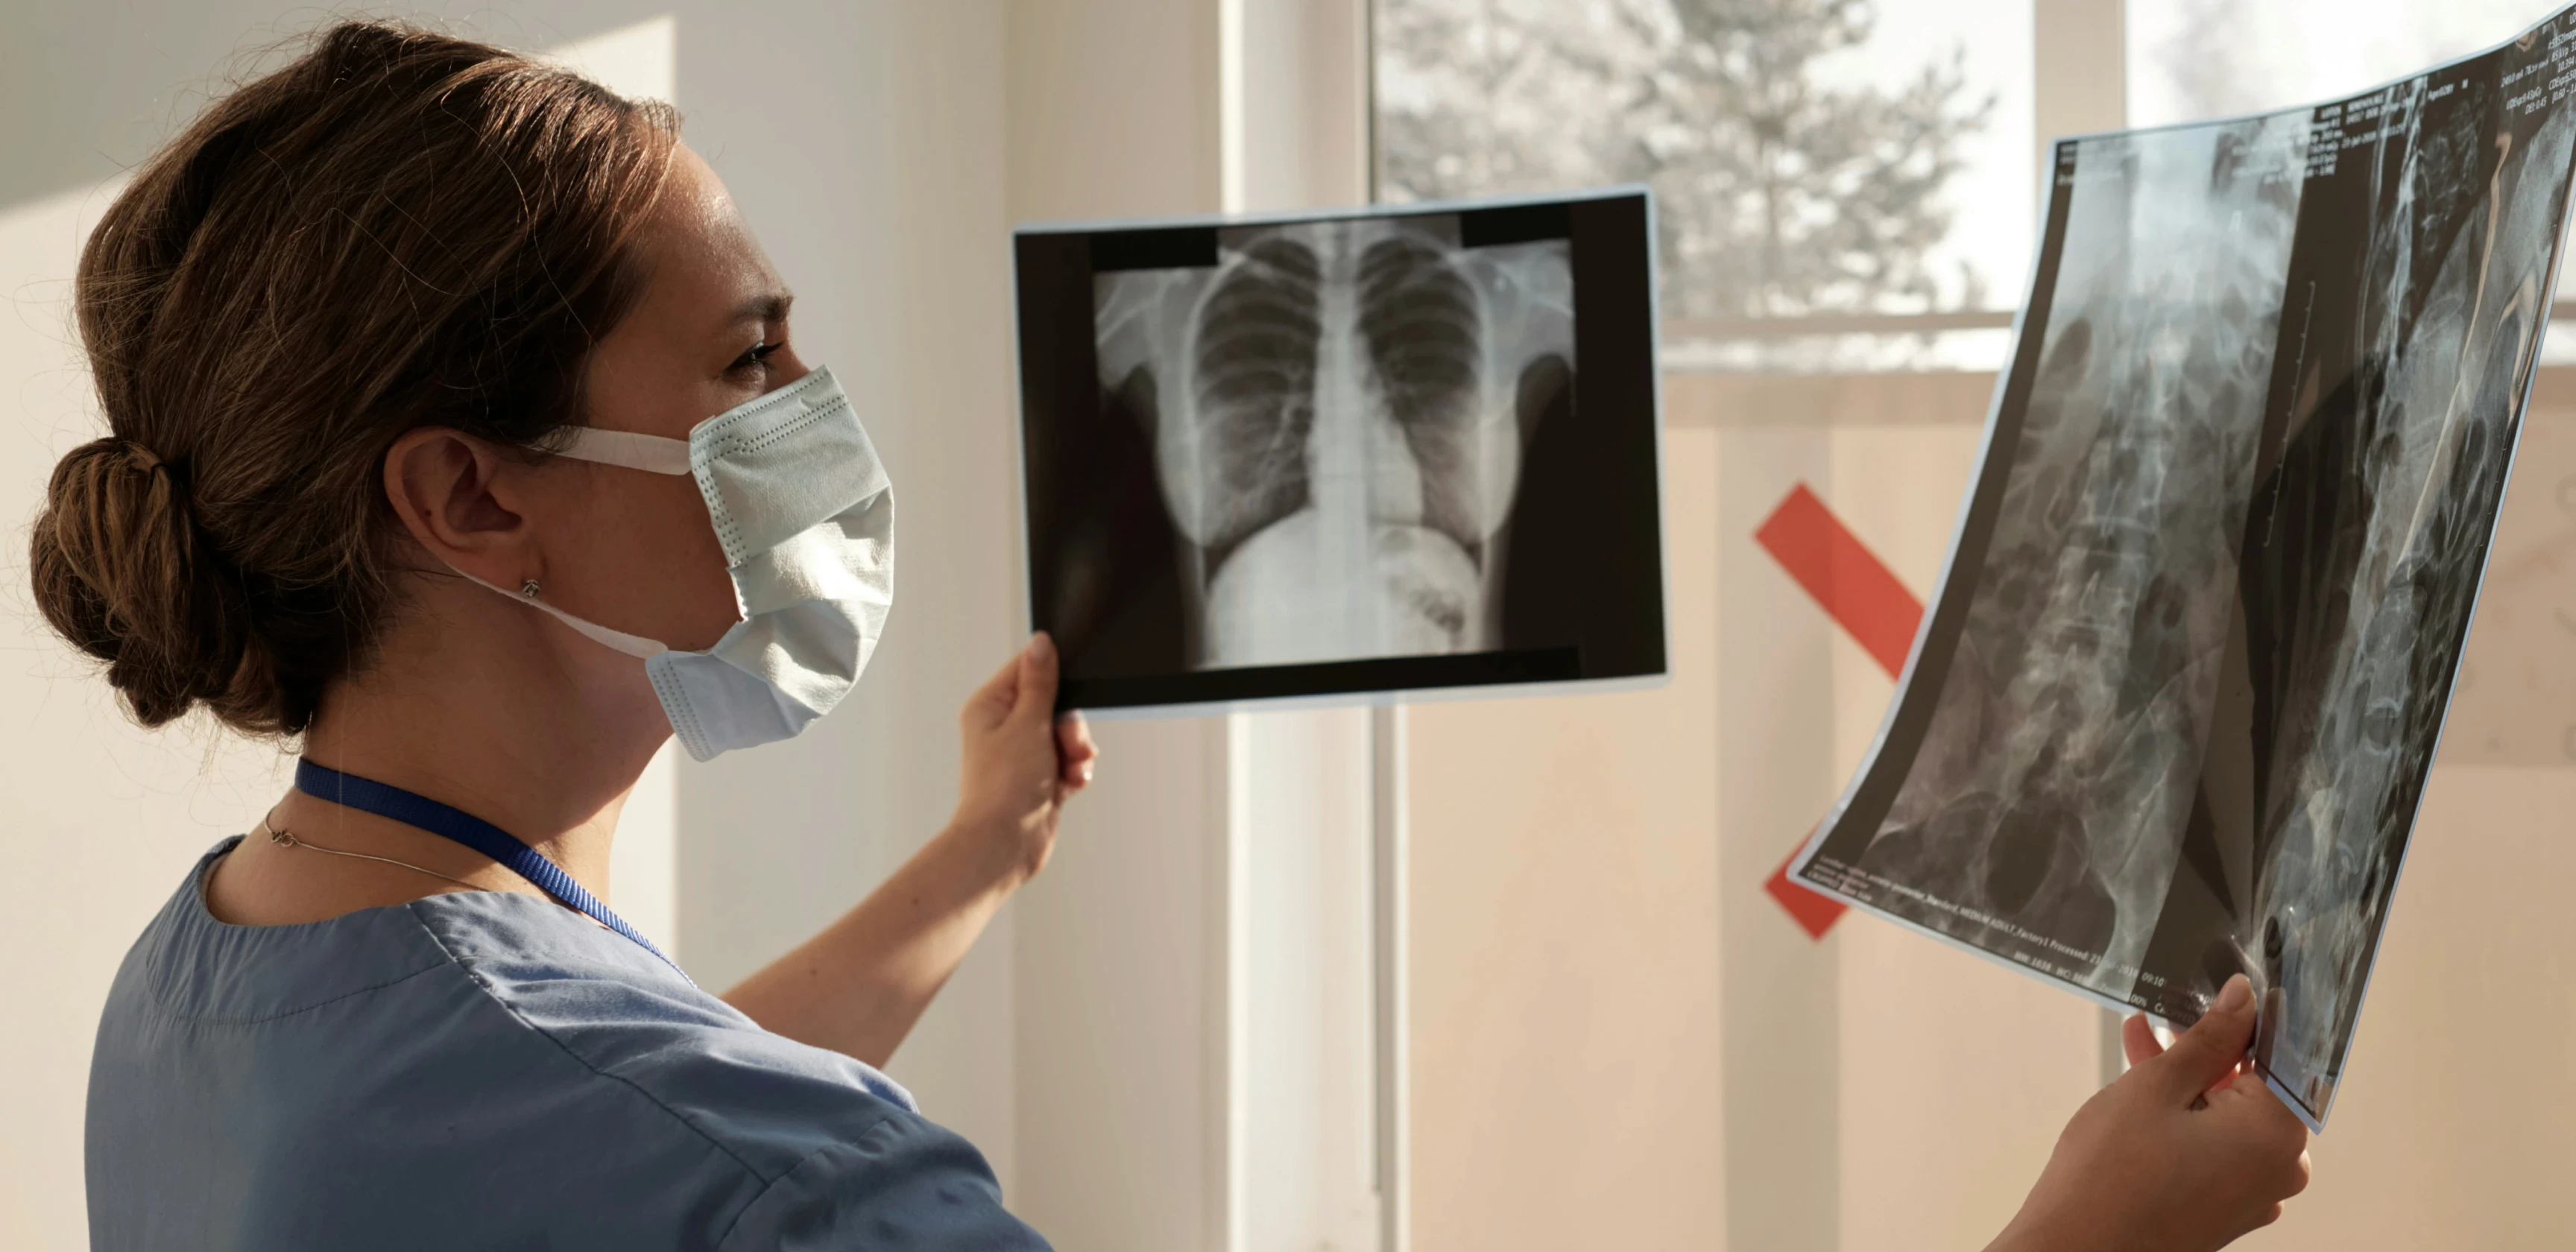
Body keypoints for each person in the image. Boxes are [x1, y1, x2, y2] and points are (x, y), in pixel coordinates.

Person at [28, 22, 2308, 1252]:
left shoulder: (216, 981)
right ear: (466, 495)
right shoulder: (750, 1173)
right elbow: (709, 1144)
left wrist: (974, 860)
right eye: (746, 360)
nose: (811, 413)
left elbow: (619, 1101)